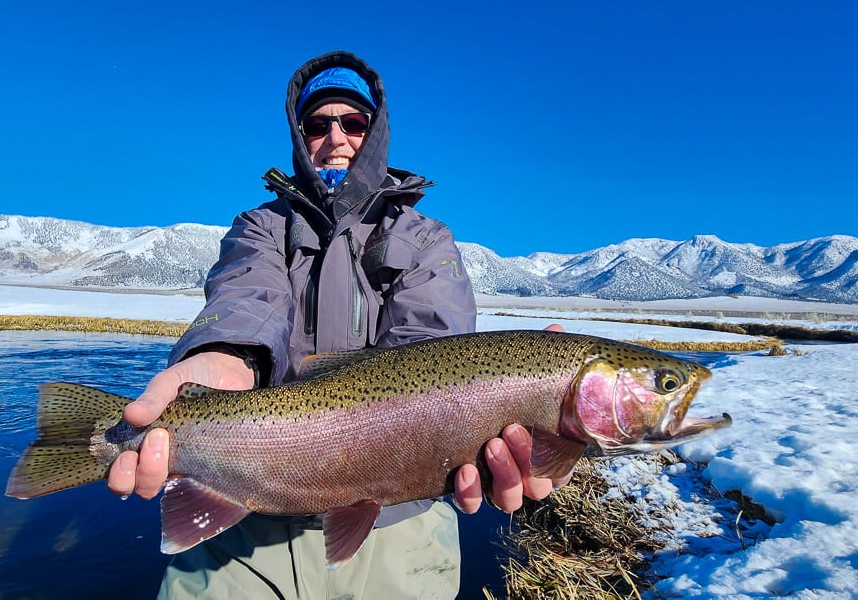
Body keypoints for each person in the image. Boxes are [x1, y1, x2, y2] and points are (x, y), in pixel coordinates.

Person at [107, 51, 567, 598]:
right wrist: (225, 355)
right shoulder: (261, 226)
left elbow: (434, 352)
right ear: (301, 138)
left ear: (374, 135)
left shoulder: (425, 238)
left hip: (402, 524)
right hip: (251, 516)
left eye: (353, 123)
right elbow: (246, 295)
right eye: (318, 125)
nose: (337, 137)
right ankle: (100, 438)